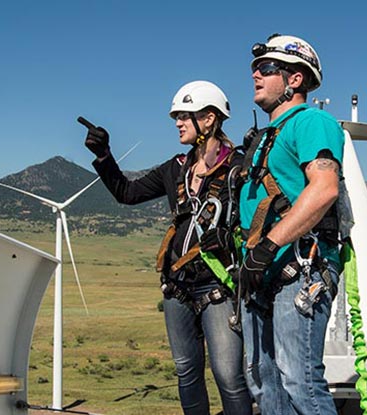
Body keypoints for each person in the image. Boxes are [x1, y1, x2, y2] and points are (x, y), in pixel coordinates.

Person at [82, 80, 252, 415]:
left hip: (218, 285)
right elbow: (127, 194)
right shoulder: (175, 167)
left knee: (228, 376)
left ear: (209, 119)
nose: (177, 123)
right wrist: (104, 156)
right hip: (176, 286)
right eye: (176, 116)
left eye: (184, 116)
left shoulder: (239, 167)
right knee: (186, 372)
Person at [237, 34, 345, 414]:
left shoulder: (312, 121)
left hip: (299, 269)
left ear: (295, 79)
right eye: (255, 67)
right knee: (265, 384)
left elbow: (324, 189)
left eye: (266, 68)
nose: (255, 74)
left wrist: (267, 248)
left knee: (300, 381)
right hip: (260, 273)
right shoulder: (263, 137)